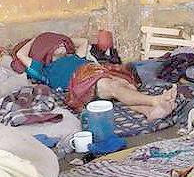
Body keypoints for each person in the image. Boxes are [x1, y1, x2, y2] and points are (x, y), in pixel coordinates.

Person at [16, 32, 177, 119]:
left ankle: (149, 112)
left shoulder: (75, 56)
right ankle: (155, 100)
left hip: (96, 71)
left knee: (124, 86)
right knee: (113, 87)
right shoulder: (44, 69)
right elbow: (20, 54)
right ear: (45, 50)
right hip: (81, 80)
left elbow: (83, 41)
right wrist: (36, 39)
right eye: (56, 44)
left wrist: (64, 40)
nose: (62, 44)